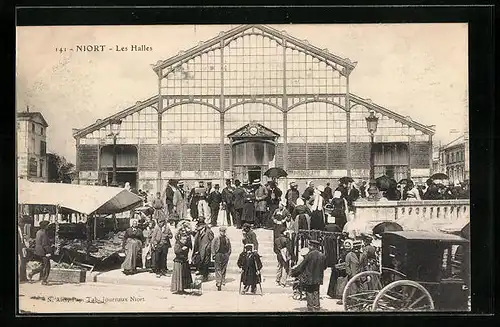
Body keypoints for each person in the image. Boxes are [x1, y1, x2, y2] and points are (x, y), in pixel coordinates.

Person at [291, 239, 327, 312]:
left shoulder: (309, 255)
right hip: (318, 277)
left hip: (309, 277)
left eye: (310, 245)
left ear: (313, 246)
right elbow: (325, 267)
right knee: (316, 291)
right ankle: (317, 307)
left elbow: (302, 266)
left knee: (309, 292)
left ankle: (310, 308)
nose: (309, 247)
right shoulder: (322, 255)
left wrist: (294, 272)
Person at [337, 239, 361, 305]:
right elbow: (347, 265)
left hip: (359, 274)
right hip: (350, 274)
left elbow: (363, 265)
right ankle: (346, 299)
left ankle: (357, 299)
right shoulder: (349, 255)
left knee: (359, 287)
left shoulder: (362, 255)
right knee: (347, 286)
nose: (356, 249)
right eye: (355, 247)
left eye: (358, 247)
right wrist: (349, 273)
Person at [192, 217, 214, 281]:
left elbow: (212, 239)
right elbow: (195, 237)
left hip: (206, 249)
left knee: (206, 263)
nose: (198, 226)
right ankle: (200, 273)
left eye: (199, 225)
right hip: (199, 248)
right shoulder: (198, 231)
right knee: (199, 261)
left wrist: (208, 247)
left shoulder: (208, 231)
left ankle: (205, 276)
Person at [211, 226, 232, 291]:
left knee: (223, 268)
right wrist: (214, 254)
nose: (223, 232)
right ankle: (218, 282)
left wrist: (228, 254)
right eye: (222, 231)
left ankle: (223, 280)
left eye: (224, 231)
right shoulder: (216, 238)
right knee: (218, 268)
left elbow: (229, 247)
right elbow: (212, 246)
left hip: (225, 254)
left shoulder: (227, 239)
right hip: (218, 254)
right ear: (219, 231)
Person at [18, 216, 28, 283]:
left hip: (21, 247)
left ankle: (23, 277)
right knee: (20, 262)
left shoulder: (21, 229)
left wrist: (24, 245)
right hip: (18, 247)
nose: (23, 224)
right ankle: (20, 278)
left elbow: (22, 239)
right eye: (21, 222)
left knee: (24, 261)